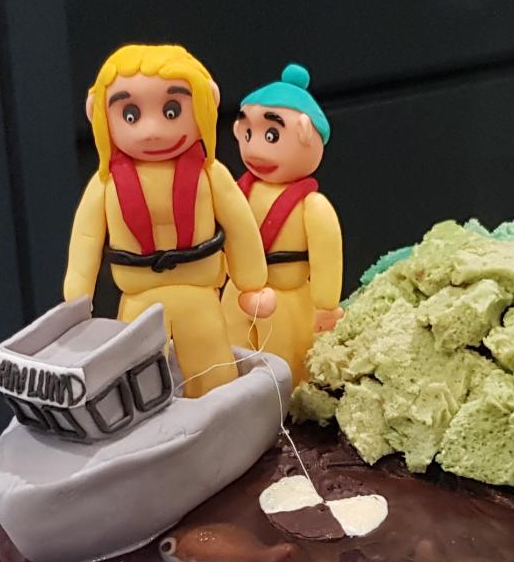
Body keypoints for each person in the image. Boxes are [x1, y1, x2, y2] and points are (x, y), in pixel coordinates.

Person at [64, 44, 273, 398]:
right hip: (138, 299)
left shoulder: (211, 176)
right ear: (98, 113)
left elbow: (240, 227)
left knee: (215, 375)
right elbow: (85, 239)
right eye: (130, 114)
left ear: (207, 102)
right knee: (137, 380)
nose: (152, 131)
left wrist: (252, 283)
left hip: (200, 296)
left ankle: (221, 427)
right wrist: (77, 297)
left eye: (172, 110)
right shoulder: (106, 185)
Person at [221, 63, 343, 386]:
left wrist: (326, 305)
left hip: (287, 300)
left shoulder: (312, 207)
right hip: (236, 294)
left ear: (306, 133)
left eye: (271, 135)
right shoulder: (236, 192)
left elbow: (326, 257)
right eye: (248, 134)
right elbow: (224, 236)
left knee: (286, 373)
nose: (256, 148)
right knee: (229, 362)